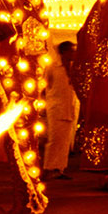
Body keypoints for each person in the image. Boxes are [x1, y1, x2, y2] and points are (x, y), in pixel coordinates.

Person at [42, 41, 78, 180]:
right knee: (55, 139)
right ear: (63, 52)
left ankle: (60, 168)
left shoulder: (73, 67)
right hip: (56, 107)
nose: (73, 53)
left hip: (69, 107)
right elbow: (45, 86)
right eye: (71, 50)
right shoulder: (53, 67)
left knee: (65, 141)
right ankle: (48, 167)